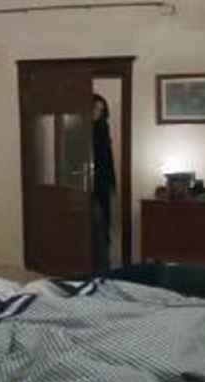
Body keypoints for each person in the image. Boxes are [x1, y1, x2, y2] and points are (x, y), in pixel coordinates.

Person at [92, 94, 117, 271]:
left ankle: (103, 266)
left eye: (101, 110)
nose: (98, 113)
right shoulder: (78, 127)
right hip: (83, 183)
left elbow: (107, 158)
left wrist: (111, 183)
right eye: (95, 108)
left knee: (102, 224)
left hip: (101, 182)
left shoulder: (102, 127)